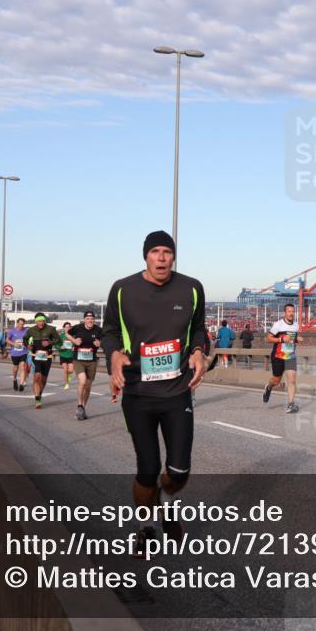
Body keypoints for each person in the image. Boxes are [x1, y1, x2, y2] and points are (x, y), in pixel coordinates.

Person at [101, 230, 207, 549]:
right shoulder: (123, 290)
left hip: (177, 392)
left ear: (174, 257)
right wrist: (114, 354)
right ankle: (145, 528)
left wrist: (200, 350)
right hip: (138, 394)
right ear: (145, 256)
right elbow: (109, 332)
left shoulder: (191, 288)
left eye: (167, 252)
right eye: (155, 252)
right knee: (147, 469)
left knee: (179, 470)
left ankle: (169, 503)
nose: (161, 258)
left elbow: (199, 328)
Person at [262, 303, 303, 413]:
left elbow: (291, 340)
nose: (291, 313)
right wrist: (281, 340)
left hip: (290, 356)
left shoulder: (296, 325)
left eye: (293, 311)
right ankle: (269, 387)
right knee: (276, 380)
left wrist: (297, 339)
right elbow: (268, 338)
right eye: (289, 311)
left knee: (292, 380)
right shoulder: (278, 325)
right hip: (278, 356)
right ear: (285, 313)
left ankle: (290, 404)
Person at [69, 311, 104, 421]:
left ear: (94, 320)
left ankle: (83, 408)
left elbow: (105, 339)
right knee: (83, 381)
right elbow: (67, 333)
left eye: (92, 318)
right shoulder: (78, 328)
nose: (90, 320)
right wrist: (74, 340)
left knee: (88, 386)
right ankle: (79, 405)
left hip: (92, 360)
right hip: (78, 359)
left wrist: (100, 343)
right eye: (88, 319)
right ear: (85, 320)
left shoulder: (98, 330)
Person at [25, 313, 60, 409]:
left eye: (42, 321)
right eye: (39, 321)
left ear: (45, 321)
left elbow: (58, 339)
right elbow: (25, 339)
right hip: (35, 356)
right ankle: (37, 398)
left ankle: (39, 394)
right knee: (37, 376)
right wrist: (27, 345)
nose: (41, 323)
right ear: (36, 321)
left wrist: (49, 342)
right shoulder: (31, 330)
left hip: (47, 356)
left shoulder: (51, 329)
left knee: (43, 379)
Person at [6, 318, 29, 391]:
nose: (21, 326)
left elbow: (29, 339)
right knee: (16, 368)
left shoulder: (26, 331)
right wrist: (13, 344)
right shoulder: (12, 331)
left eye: (22, 324)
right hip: (15, 353)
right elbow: (7, 339)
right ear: (17, 323)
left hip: (23, 352)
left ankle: (21, 384)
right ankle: (15, 379)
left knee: (23, 366)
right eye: (20, 324)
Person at [57, 321, 76, 390]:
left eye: (69, 327)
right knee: (65, 370)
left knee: (70, 370)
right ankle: (66, 384)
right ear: (64, 328)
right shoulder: (61, 336)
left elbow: (77, 343)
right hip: (63, 355)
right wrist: (60, 347)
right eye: (66, 327)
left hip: (71, 355)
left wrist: (75, 347)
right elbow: (57, 345)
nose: (67, 328)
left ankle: (70, 375)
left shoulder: (73, 336)